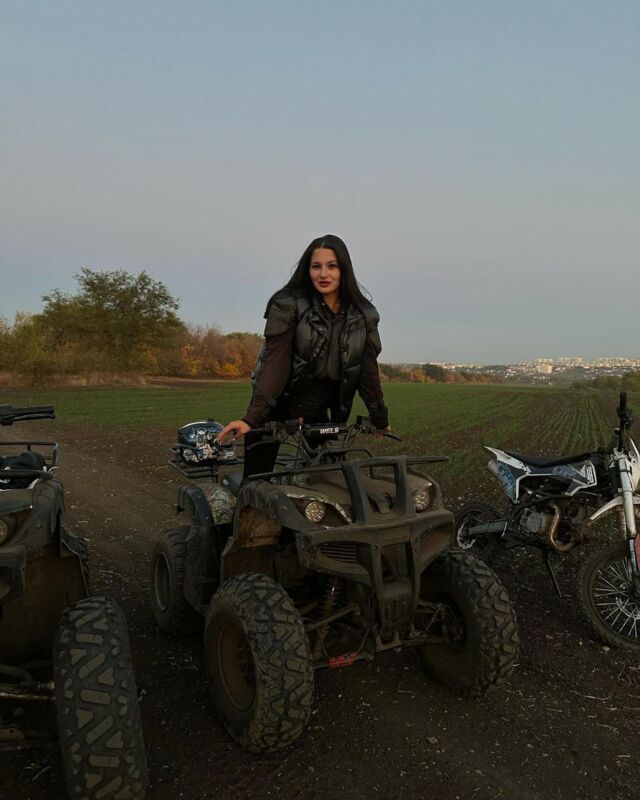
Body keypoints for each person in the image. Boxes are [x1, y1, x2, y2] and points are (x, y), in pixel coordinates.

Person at [217, 234, 390, 444]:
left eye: (332, 266)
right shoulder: (288, 303)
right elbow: (274, 363)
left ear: (344, 269)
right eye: (316, 266)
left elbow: (367, 372)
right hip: (275, 406)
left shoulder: (364, 315)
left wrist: (380, 418)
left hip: (318, 411)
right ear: (308, 270)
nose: (323, 274)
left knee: (330, 463)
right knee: (259, 464)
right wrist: (252, 418)